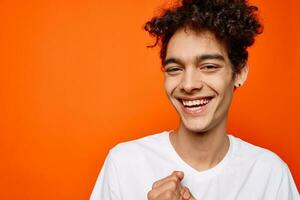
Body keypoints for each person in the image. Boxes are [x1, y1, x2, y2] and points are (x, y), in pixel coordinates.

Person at [90, 0, 299, 199]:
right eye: (175, 69)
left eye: (209, 67)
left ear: (240, 73)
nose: (188, 85)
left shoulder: (269, 174)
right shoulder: (124, 164)